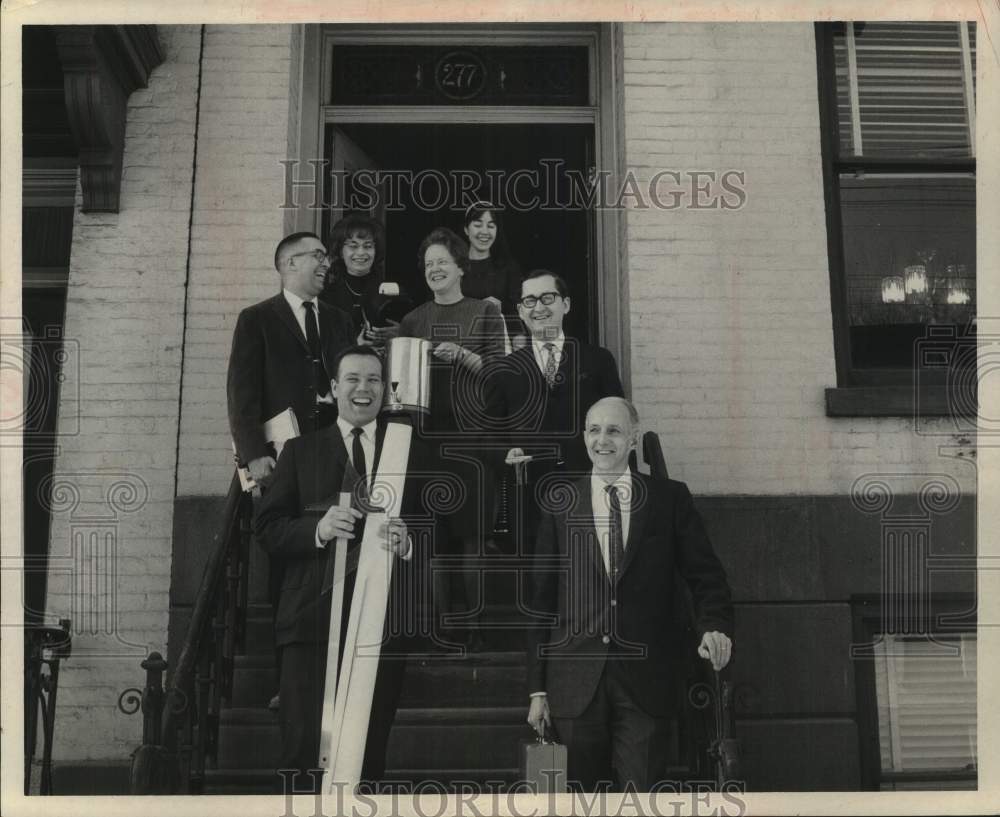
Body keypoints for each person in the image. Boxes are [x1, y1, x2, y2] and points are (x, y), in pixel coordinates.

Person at [525, 397, 734, 792]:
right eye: (594, 430)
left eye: (614, 431)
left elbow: (706, 576)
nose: (602, 440)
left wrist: (714, 627)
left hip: (646, 682)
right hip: (574, 682)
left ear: (633, 439)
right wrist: (538, 689)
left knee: (641, 799)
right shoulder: (559, 502)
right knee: (579, 802)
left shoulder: (668, 499)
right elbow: (541, 600)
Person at [254, 345, 429, 792]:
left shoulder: (406, 453)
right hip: (309, 626)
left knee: (366, 759)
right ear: (334, 389)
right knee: (303, 754)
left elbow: (436, 529)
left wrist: (409, 542)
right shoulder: (300, 451)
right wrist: (318, 528)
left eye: (373, 379)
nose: (363, 389)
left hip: (379, 628)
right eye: (352, 379)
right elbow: (268, 530)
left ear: (385, 390)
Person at [398, 227, 505, 648]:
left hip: (472, 439)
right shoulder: (413, 319)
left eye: (443, 262)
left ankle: (475, 629)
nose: (435, 270)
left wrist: (463, 355)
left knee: (472, 535)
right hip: (426, 439)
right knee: (436, 537)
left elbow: (501, 377)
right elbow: (401, 387)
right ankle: (445, 626)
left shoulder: (485, 312)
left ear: (461, 267)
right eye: (428, 265)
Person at [497, 270, 624, 540]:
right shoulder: (505, 369)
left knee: (591, 574)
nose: (539, 307)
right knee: (537, 580)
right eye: (529, 301)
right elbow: (488, 432)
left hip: (591, 491)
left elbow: (620, 425)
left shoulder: (598, 360)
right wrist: (505, 451)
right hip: (529, 498)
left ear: (565, 304)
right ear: (520, 311)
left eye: (547, 298)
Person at [227, 231, 354, 489]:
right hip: (281, 455)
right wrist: (253, 454)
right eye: (318, 256)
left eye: (327, 258)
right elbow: (241, 395)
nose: (327, 264)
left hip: (336, 449)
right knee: (283, 526)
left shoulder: (341, 320)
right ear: (290, 263)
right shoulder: (255, 319)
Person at [320, 213, 401, 347]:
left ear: (376, 251)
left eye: (368, 246)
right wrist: (355, 345)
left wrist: (401, 335)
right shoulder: (326, 296)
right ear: (341, 251)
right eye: (353, 246)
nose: (361, 252)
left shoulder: (392, 291)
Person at [461, 201, 524, 348]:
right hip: (461, 348)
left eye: (491, 225)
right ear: (466, 229)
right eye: (478, 225)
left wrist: (520, 356)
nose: (485, 232)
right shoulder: (454, 267)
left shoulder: (509, 268)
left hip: (499, 348)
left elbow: (516, 318)